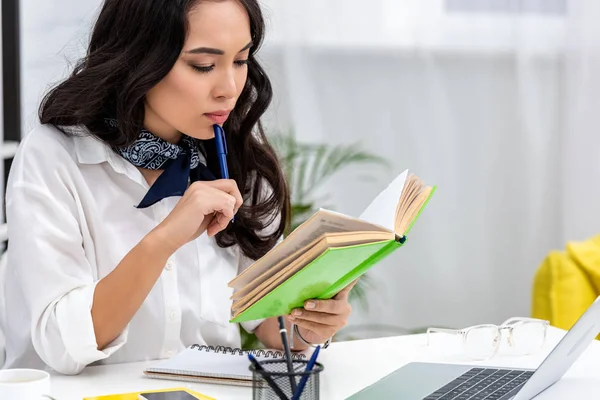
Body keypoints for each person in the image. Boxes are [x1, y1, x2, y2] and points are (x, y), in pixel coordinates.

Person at [1, 0, 355, 375]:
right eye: (204, 65)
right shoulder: (54, 156)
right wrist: (165, 238)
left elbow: (271, 324)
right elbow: (61, 345)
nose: (230, 88)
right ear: (140, 57)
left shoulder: (234, 157)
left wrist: (311, 323)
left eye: (240, 60)